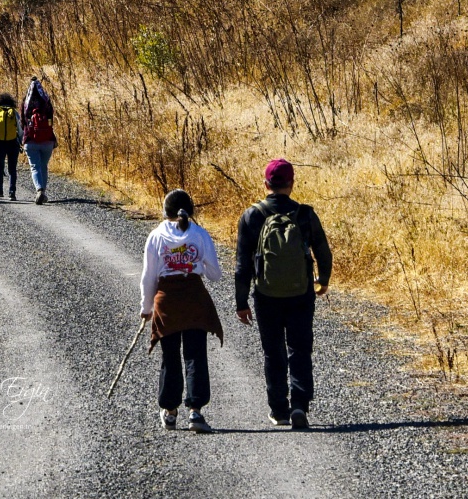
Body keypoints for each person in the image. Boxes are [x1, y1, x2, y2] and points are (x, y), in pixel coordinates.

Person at [234, 158, 332, 431]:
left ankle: (279, 410)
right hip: (301, 293)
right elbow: (322, 251)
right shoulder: (304, 214)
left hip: (266, 295)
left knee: (272, 351)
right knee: (300, 348)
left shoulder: (252, 216)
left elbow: (242, 265)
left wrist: (241, 302)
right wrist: (322, 279)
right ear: (292, 184)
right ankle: (299, 404)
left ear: (266, 184)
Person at [141, 189, 224, 433]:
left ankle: (169, 411)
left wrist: (146, 308)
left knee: (170, 356)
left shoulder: (156, 236)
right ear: (190, 210)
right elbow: (215, 274)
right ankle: (196, 412)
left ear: (164, 211)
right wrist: (196, 265)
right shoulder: (199, 234)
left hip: (167, 302)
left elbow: (149, 277)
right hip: (195, 299)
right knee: (195, 354)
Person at [20, 75, 56, 204]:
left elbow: (22, 122)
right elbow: (51, 121)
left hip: (30, 140)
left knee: (35, 167)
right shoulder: (46, 102)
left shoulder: (26, 102)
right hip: (47, 140)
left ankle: (39, 190)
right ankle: (43, 192)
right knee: (43, 166)